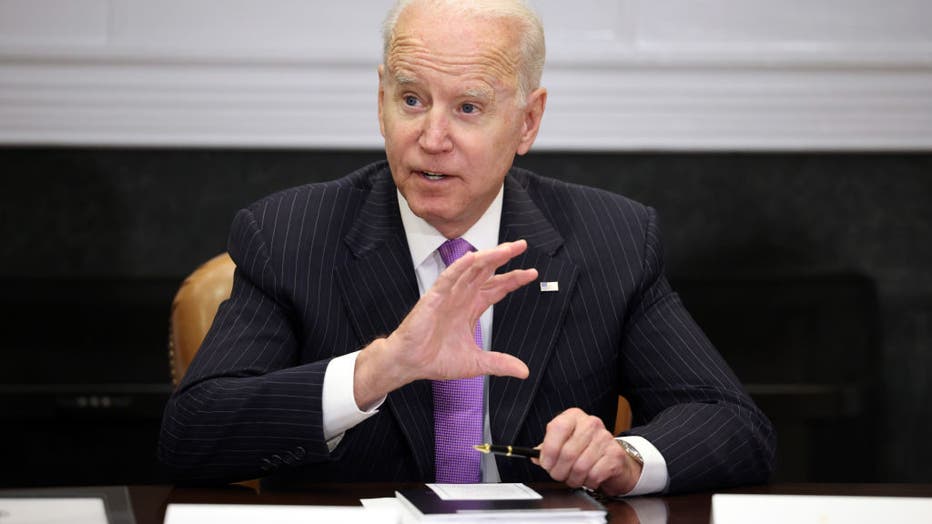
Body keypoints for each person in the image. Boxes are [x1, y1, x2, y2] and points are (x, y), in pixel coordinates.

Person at [159, 0, 775, 496]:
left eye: (469, 107)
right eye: (411, 100)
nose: (431, 138)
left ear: (527, 122)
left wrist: (627, 459)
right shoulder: (289, 234)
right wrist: (379, 369)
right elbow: (192, 439)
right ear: (380, 101)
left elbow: (734, 427)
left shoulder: (611, 237)